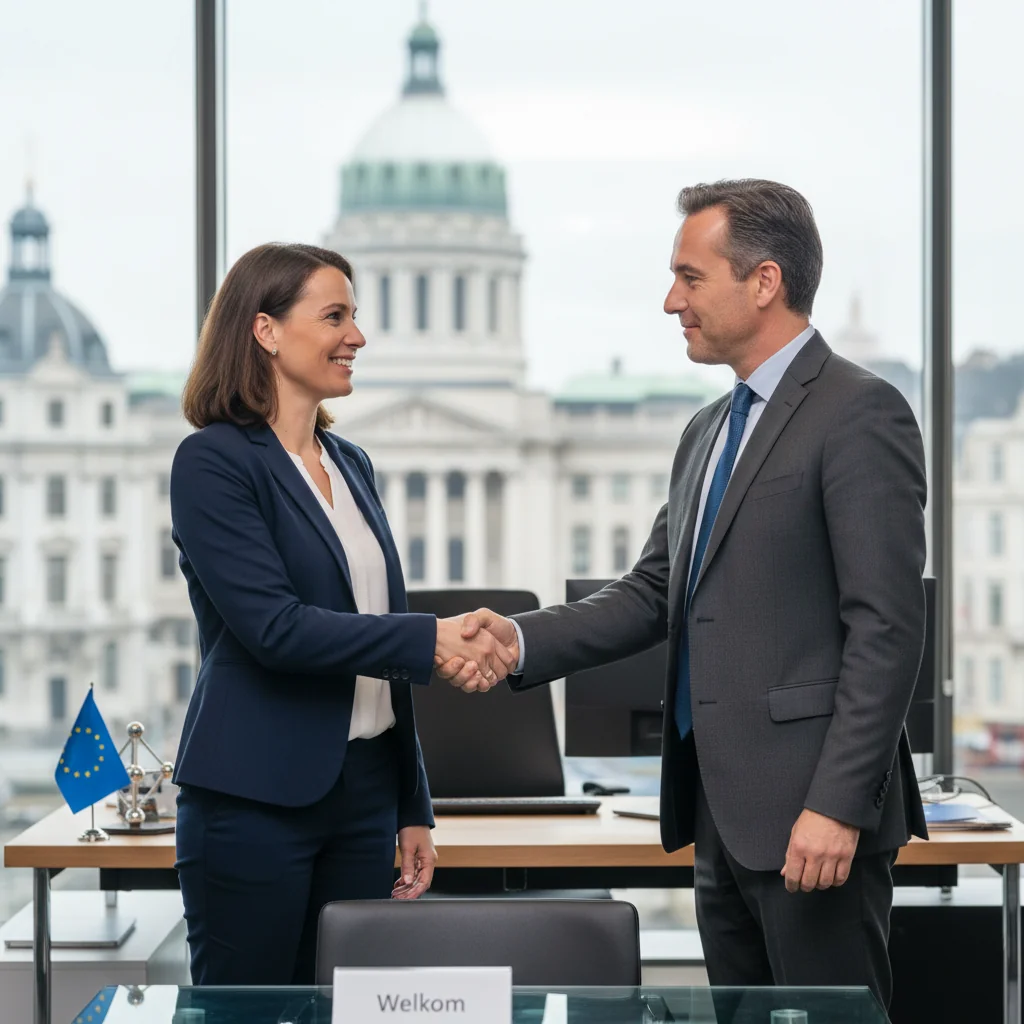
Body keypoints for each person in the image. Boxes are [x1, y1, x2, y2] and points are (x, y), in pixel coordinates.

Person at [438, 179, 928, 1011]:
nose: (672, 301)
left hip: (813, 820)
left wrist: (838, 807)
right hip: (719, 816)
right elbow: (654, 591)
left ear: (764, 281)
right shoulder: (708, 430)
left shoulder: (859, 412)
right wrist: (518, 640)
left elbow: (886, 630)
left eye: (690, 277)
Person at [171, 243, 515, 985]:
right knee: (249, 1012)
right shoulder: (213, 462)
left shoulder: (351, 462)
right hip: (254, 797)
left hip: (363, 796)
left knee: (352, 1006)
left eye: (355, 316)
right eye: (335, 317)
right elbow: (276, 629)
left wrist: (411, 804)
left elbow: (377, 639)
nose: (357, 336)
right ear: (265, 330)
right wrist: (432, 638)